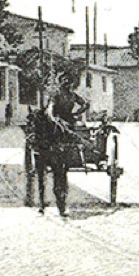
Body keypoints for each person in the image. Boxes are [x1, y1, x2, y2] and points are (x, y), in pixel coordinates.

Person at [43, 74, 88, 217]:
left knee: (74, 133)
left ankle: (73, 149)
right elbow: (50, 109)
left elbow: (85, 104)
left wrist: (75, 114)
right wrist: (54, 119)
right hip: (59, 123)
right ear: (61, 83)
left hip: (66, 122)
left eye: (68, 81)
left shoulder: (71, 95)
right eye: (64, 81)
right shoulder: (57, 95)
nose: (66, 83)